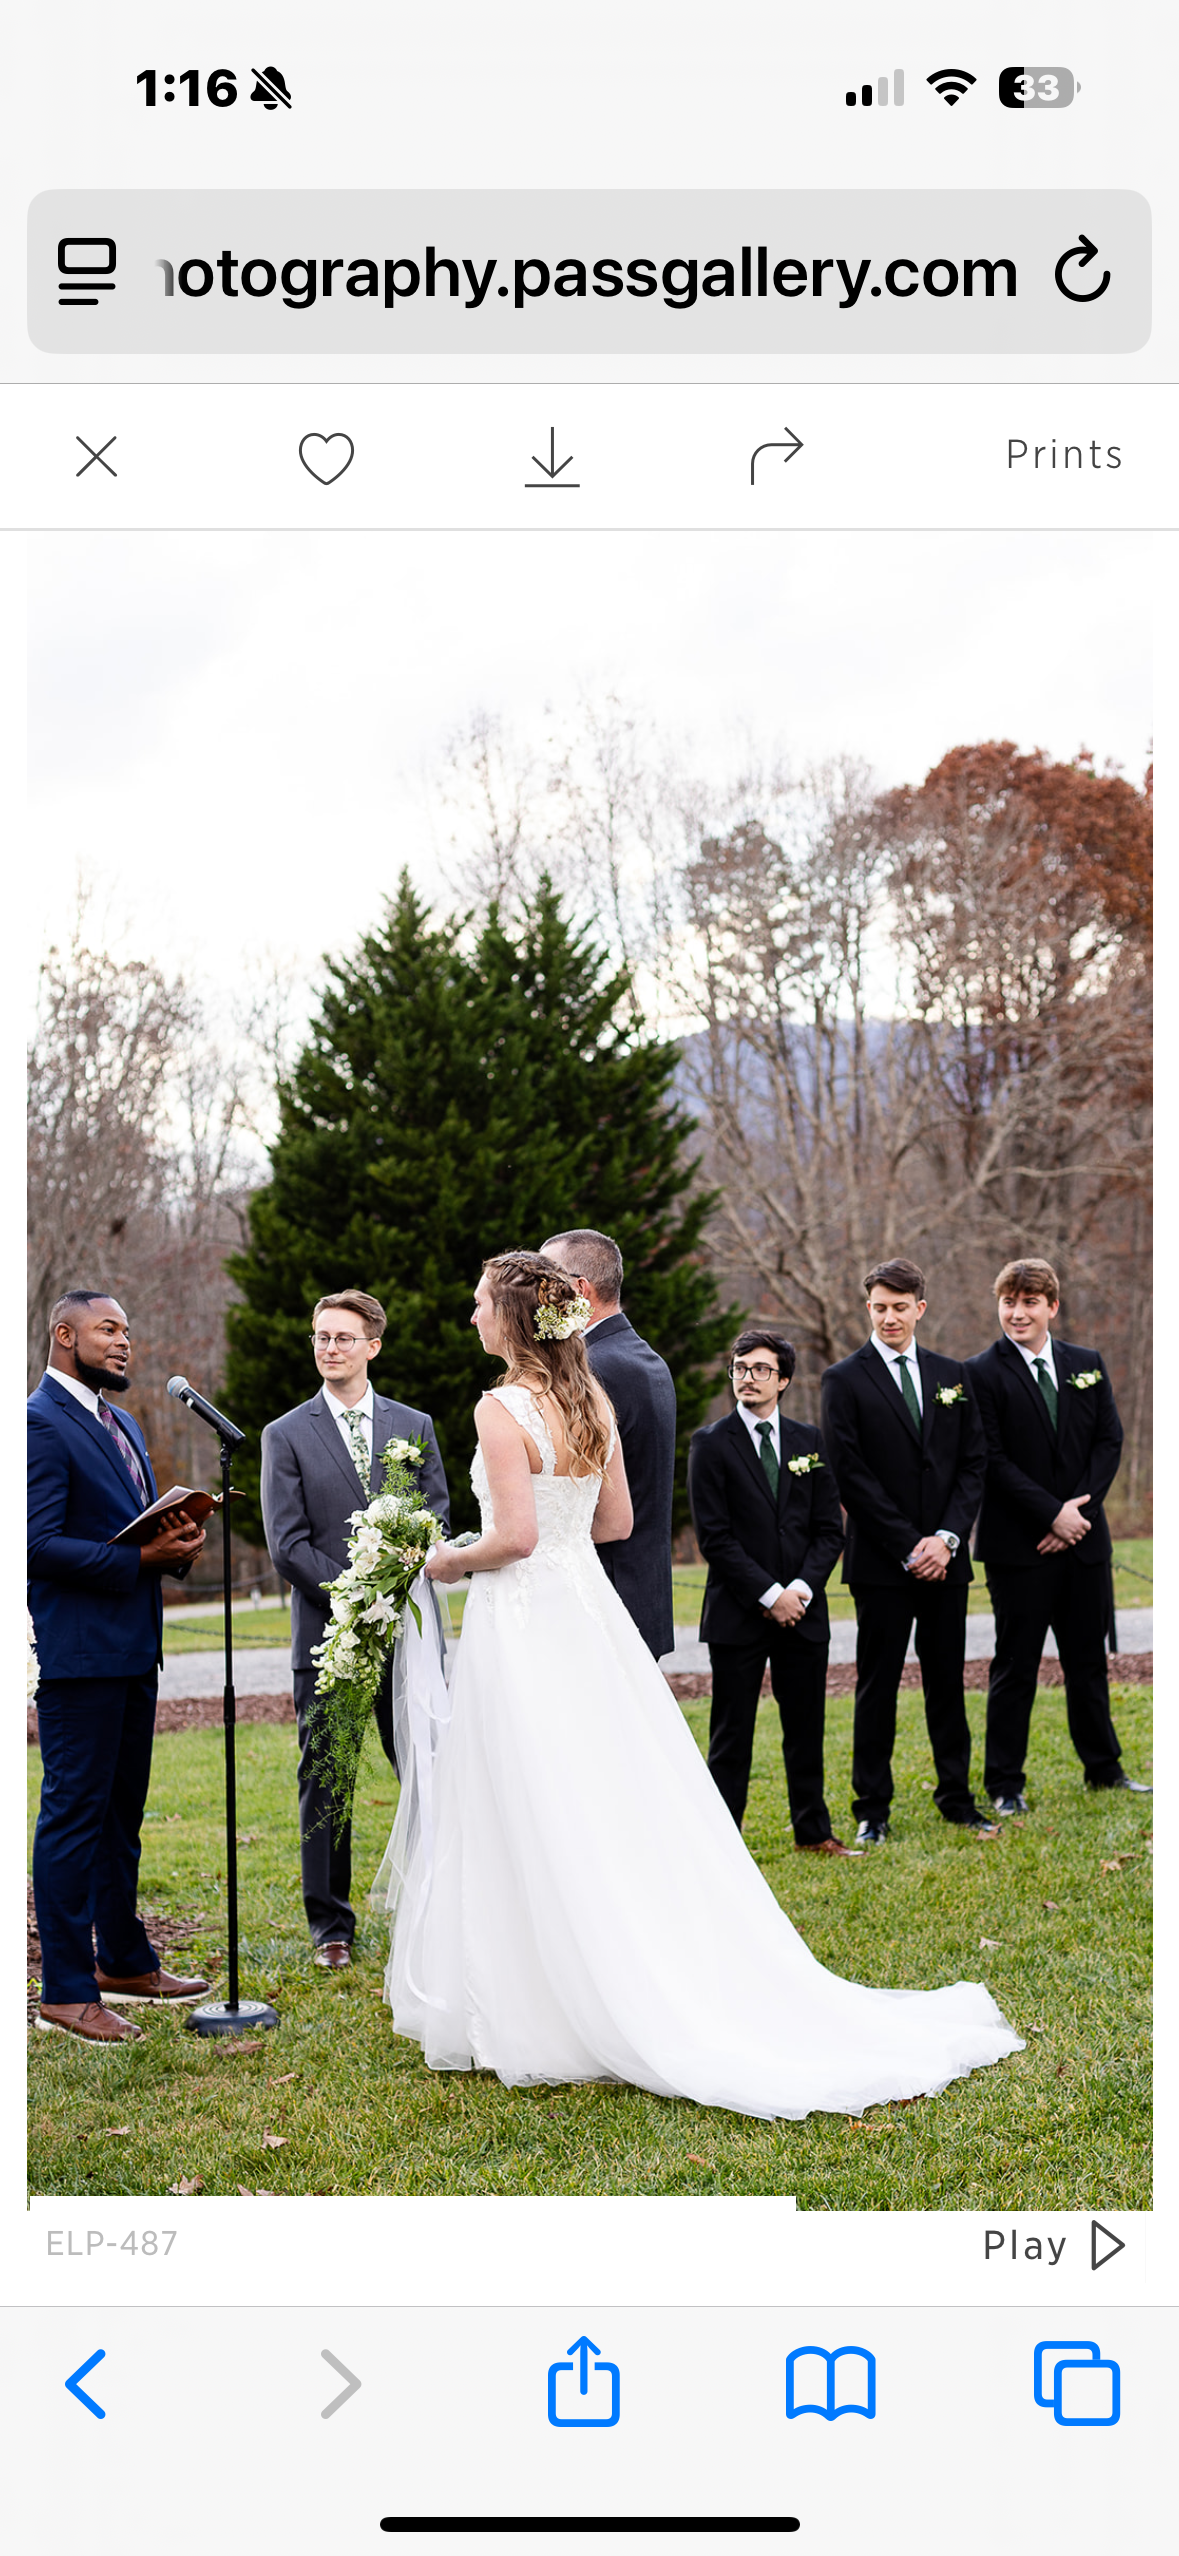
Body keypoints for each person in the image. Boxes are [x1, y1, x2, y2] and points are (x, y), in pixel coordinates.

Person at [375, 1249, 1022, 2120]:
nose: (471, 1319)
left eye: (479, 1304)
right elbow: (617, 1522)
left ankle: (542, 1993)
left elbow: (516, 1540)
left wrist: (446, 1559)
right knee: (601, 1792)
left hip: (523, 1621)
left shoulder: (500, 1408)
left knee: (524, 1790)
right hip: (588, 1616)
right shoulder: (589, 1398)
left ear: (512, 1318)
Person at [28, 1292, 211, 2043]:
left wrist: (174, 1544)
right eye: (108, 1329)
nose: (124, 1343)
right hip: (79, 1655)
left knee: (119, 1818)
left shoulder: (125, 1423)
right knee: (74, 1817)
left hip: (134, 1647)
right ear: (64, 1335)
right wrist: (138, 1557)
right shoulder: (38, 1424)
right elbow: (34, 1545)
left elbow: (119, 1531)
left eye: (128, 1331)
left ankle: (124, 1961)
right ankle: (66, 1990)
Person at [260, 1288, 450, 1970]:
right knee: (329, 1777)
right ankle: (330, 1926)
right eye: (320, 1337)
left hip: (408, 1635)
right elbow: (287, 1543)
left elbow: (436, 1518)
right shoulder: (284, 1434)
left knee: (427, 1768)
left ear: (373, 1345)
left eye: (342, 1337)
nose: (329, 1348)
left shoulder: (414, 1425)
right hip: (330, 1638)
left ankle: (441, 1899)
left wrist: (394, 1590)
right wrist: (352, 1600)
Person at [820, 1258, 995, 1845]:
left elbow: (973, 1463)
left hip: (946, 1560)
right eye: (879, 1306)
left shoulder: (954, 1375)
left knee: (948, 1681)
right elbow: (849, 1473)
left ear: (920, 1308)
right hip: (882, 1563)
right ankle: (872, 1808)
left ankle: (957, 1798)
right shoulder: (843, 1380)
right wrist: (907, 1543)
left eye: (900, 1306)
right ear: (867, 1308)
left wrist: (946, 1539)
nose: (889, 1316)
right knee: (878, 1684)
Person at [968, 1257, 1150, 1812]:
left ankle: (1104, 1769)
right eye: (1008, 1302)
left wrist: (1078, 1517)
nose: (1017, 1312)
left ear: (1052, 1306)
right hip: (1018, 1548)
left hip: (1085, 1542)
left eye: (1029, 1302)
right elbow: (991, 1458)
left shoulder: (1086, 1363)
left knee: (1087, 1662)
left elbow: (1108, 1443)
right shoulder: (979, 1372)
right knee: (1015, 1666)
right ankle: (1005, 1785)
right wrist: (1051, 1515)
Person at [688, 1326, 853, 1854]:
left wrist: (800, 1589)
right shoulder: (710, 1444)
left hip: (803, 1611)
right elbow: (715, 1538)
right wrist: (769, 1594)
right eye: (739, 1368)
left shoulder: (810, 1442)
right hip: (739, 1614)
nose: (748, 1378)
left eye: (761, 1369)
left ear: (783, 1380)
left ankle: (813, 1833)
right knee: (731, 1735)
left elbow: (830, 1529)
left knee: (805, 1728)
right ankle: (723, 1845)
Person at [539, 1228, 676, 1659]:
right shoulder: (643, 1357)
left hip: (604, 1591)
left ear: (580, 1289)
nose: (537, 1295)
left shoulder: (592, 1368)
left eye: (546, 1281)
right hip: (640, 1586)